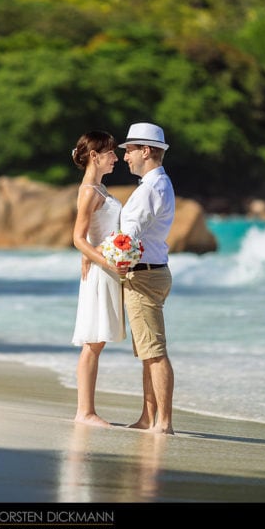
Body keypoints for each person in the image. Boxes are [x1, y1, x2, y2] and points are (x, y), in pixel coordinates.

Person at [118, 122, 176, 434]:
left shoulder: (149, 189)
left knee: (153, 352)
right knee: (147, 351)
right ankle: (147, 417)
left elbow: (127, 239)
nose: (125, 157)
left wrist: (103, 260)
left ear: (146, 151)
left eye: (129, 150)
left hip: (144, 275)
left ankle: (163, 423)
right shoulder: (160, 184)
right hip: (152, 272)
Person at [70, 130, 128, 428]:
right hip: (102, 270)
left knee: (97, 340)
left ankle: (86, 410)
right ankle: (85, 412)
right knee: (93, 341)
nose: (115, 158)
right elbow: (78, 238)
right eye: (110, 153)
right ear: (95, 156)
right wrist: (107, 262)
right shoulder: (90, 190)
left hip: (105, 268)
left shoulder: (98, 188)